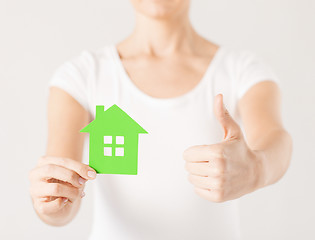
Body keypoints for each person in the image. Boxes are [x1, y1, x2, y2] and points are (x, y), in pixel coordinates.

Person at [29, 0, 293, 239]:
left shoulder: (242, 71)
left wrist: (257, 168)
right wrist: (51, 204)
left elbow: (275, 140)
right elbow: (60, 195)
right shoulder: (82, 76)